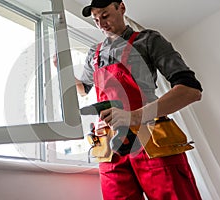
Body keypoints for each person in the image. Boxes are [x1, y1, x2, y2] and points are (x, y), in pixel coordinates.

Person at [77, 0, 203, 199]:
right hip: (109, 148)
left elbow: (191, 90)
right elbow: (83, 89)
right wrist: (61, 69)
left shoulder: (148, 40)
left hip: (151, 138)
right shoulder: (93, 54)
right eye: (95, 20)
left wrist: (134, 116)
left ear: (122, 7)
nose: (101, 24)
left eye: (105, 15)